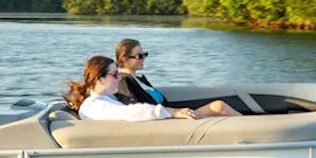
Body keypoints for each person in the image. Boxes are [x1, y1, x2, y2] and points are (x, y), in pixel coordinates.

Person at [64, 55, 217, 121]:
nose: (119, 78)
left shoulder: (105, 100)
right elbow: (130, 112)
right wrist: (174, 112)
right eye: (114, 75)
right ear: (99, 78)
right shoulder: (94, 106)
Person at [114, 38, 166, 106]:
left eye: (144, 54)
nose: (143, 58)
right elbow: (134, 106)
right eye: (139, 56)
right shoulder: (123, 81)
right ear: (124, 59)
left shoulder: (139, 80)